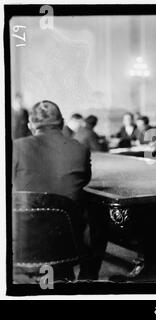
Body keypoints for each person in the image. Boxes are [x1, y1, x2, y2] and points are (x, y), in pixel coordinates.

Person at [13, 101, 93, 280]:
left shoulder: (16, 147)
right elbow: (83, 182)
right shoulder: (80, 149)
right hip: (67, 244)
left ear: (31, 125)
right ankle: (88, 279)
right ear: (63, 122)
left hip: (22, 245)